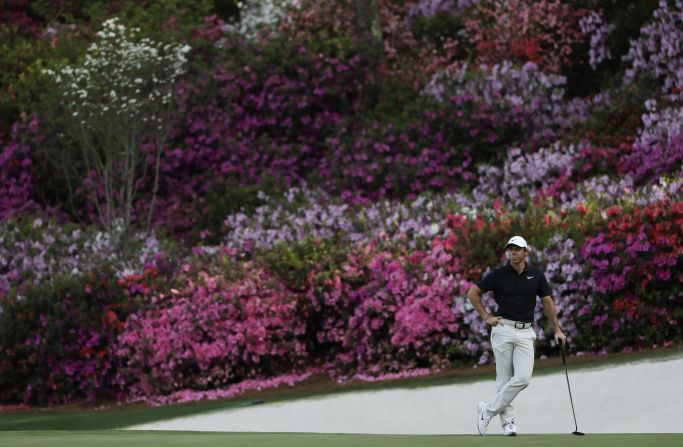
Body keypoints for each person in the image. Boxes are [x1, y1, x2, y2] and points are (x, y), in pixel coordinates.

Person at [466, 235, 566, 436]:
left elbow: (547, 302)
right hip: (503, 329)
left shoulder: (536, 275)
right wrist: (486, 317)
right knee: (504, 379)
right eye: (510, 249)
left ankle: (488, 410)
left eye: (517, 249)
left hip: (526, 332)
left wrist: (557, 329)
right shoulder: (499, 275)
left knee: (523, 378)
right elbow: (472, 293)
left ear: (525, 252)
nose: (513, 252)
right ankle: (508, 423)